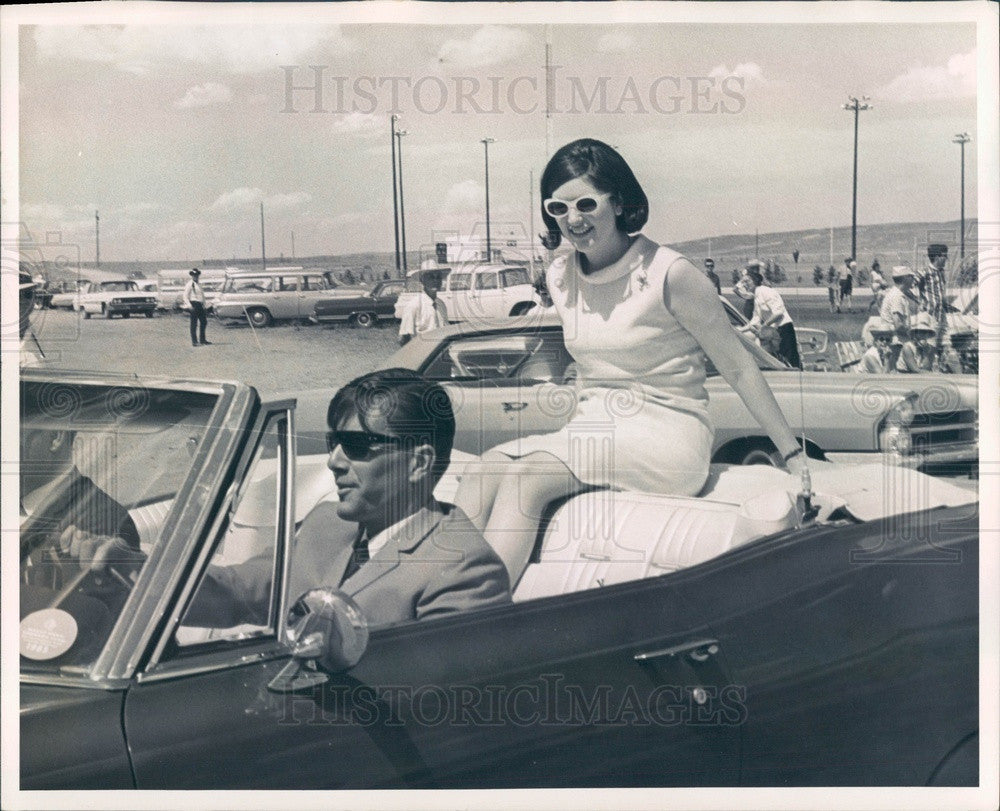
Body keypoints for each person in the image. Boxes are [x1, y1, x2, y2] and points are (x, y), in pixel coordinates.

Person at [453, 138, 809, 583]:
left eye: (586, 203)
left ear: (619, 202)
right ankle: (431, 598)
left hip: (668, 435)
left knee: (528, 479)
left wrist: (792, 455)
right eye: (558, 208)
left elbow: (738, 366)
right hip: (593, 427)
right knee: (484, 468)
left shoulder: (671, 273)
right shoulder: (560, 275)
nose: (573, 220)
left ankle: (471, 613)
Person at [62, 369, 511, 629]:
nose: (334, 460)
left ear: (419, 463)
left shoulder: (464, 570)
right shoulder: (327, 522)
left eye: (355, 446)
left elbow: (432, 700)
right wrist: (133, 572)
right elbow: (239, 592)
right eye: (335, 441)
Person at [743, 267, 802, 369]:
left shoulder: (767, 292)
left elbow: (778, 312)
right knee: (779, 363)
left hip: (784, 330)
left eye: (747, 281)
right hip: (774, 333)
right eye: (743, 282)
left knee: (790, 363)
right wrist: (741, 329)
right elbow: (756, 318)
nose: (745, 284)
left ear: (755, 281)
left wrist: (764, 325)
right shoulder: (756, 296)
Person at [398, 269, 448, 346]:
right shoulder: (414, 305)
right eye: (431, 277)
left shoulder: (441, 304)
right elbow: (404, 338)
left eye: (438, 277)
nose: (435, 281)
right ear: (422, 281)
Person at [183, 268, 210, 346]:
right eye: (194, 275)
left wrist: (204, 305)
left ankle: (202, 340)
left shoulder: (199, 284)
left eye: (197, 275)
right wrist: (189, 306)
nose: (195, 276)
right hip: (193, 304)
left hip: (200, 305)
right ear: (192, 276)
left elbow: (202, 296)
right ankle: (194, 341)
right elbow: (185, 296)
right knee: (194, 323)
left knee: (204, 322)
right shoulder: (189, 284)